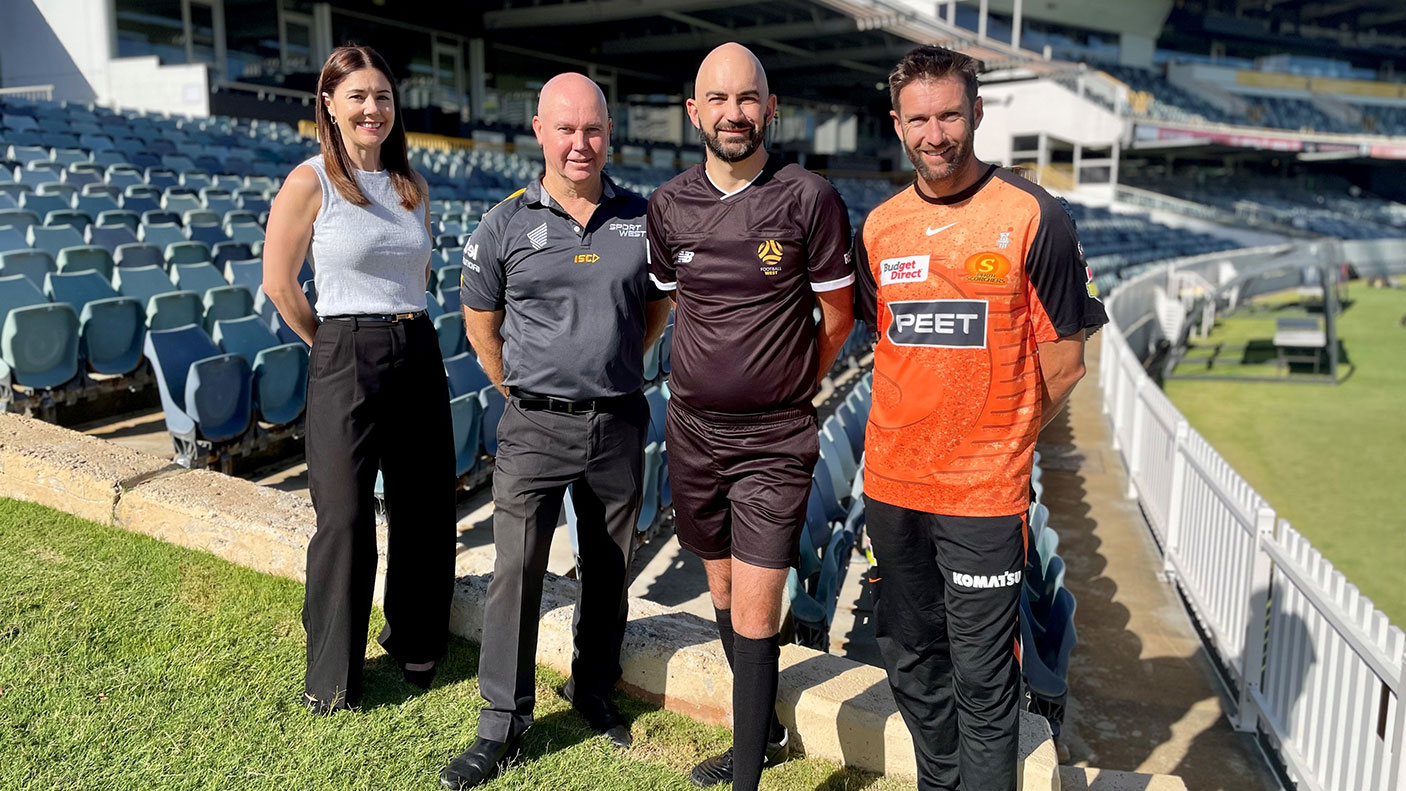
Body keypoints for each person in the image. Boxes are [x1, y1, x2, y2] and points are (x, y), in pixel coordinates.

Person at [852, 45, 1108, 790]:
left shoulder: (1036, 215)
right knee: (907, 653)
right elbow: (893, 346)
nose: (937, 134)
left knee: (986, 681)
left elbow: (1065, 362)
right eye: (920, 118)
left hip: (983, 495)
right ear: (898, 124)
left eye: (951, 114)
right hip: (894, 487)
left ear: (978, 113)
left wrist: (997, 444)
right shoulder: (880, 227)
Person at [438, 72, 671, 790]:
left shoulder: (641, 218)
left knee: (607, 567)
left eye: (593, 129)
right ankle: (501, 722)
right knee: (517, 571)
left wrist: (614, 363)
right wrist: (517, 381)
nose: (581, 143)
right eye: (566, 129)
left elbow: (655, 311)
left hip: (618, 421)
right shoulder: (505, 221)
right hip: (534, 426)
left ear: (610, 133)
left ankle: (592, 690)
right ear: (539, 130)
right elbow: (480, 322)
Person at [646, 43, 854, 791]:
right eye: (718, 99)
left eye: (748, 99)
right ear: (694, 111)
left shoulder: (808, 198)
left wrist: (790, 383)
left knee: (760, 607)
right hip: (692, 433)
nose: (734, 113)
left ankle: (746, 773)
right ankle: (762, 729)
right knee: (726, 594)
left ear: (771, 109)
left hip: (774, 440)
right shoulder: (668, 206)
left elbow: (837, 313)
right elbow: (670, 301)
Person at [262, 45, 455, 715]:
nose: (372, 107)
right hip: (346, 345)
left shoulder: (412, 184)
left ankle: (415, 638)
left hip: (417, 342)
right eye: (358, 96)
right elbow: (279, 283)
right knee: (343, 515)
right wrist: (331, 343)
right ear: (330, 104)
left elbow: (416, 276)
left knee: (425, 504)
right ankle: (332, 675)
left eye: (382, 96)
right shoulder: (310, 179)